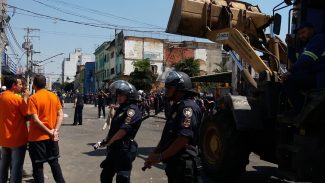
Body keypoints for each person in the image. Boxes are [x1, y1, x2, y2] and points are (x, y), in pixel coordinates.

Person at [144, 71, 203, 183]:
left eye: (169, 88)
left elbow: (183, 139)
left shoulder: (187, 108)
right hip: (175, 165)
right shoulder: (177, 106)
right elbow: (168, 136)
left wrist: (160, 157)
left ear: (179, 89)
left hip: (184, 165)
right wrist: (155, 153)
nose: (166, 91)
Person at [97, 80, 142, 183]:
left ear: (129, 95)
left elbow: (122, 131)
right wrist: (106, 140)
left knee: (122, 179)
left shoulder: (132, 110)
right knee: (105, 176)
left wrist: (110, 141)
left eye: (121, 95)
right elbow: (114, 129)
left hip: (124, 151)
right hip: (114, 150)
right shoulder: (122, 108)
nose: (118, 97)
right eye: (117, 95)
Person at [27, 74, 65, 183]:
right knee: (54, 163)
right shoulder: (54, 96)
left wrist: (50, 132)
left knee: (38, 166)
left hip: (37, 138)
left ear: (34, 85)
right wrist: (55, 131)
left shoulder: (33, 98)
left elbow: (35, 119)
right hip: (52, 137)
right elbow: (60, 114)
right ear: (45, 84)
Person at [282, 22, 325, 114]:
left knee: (288, 81)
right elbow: (295, 60)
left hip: (320, 76)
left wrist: (290, 71)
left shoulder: (319, 39)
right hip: (314, 75)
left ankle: (301, 111)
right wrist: (290, 45)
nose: (301, 36)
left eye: (303, 32)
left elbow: (307, 59)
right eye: (299, 34)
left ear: (311, 30)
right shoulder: (305, 46)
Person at [0, 75, 29, 183]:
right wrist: (25, 98)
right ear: (13, 86)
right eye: (19, 84)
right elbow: (27, 115)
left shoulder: (1, 96)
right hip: (17, 138)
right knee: (17, 166)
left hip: (4, 138)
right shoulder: (17, 99)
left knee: (3, 164)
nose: (21, 86)